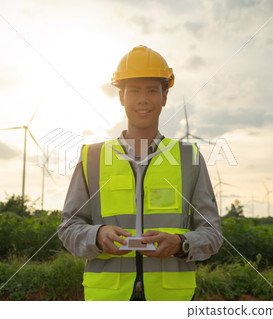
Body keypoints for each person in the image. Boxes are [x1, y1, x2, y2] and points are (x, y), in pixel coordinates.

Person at [58, 45, 222, 301]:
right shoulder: (92, 157)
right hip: (108, 299)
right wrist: (97, 235)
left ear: (165, 97)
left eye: (152, 91)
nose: (142, 99)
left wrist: (181, 243)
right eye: (134, 91)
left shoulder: (189, 158)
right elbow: (69, 228)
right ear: (121, 97)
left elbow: (212, 233)